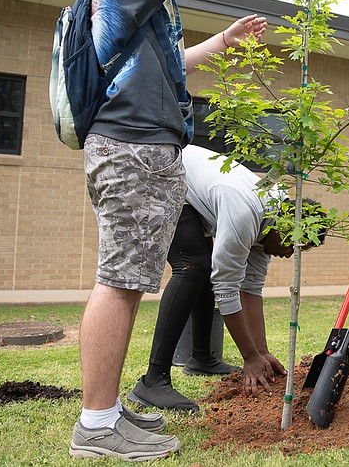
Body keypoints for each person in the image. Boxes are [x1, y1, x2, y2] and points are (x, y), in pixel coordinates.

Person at [70, 0, 321, 462]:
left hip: (141, 144)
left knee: (129, 279)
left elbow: (171, 63)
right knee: (119, 279)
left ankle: (105, 412)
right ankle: (96, 426)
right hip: (132, 144)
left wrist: (225, 41)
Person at [128, 145, 329, 411]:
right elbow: (227, 289)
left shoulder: (270, 217)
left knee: (206, 267)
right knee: (193, 267)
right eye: (293, 246)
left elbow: (250, 287)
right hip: (159, 174)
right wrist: (249, 356)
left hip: (186, 185)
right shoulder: (245, 214)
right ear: (285, 227)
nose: (290, 254)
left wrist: (261, 352)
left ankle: (201, 359)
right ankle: (153, 380)